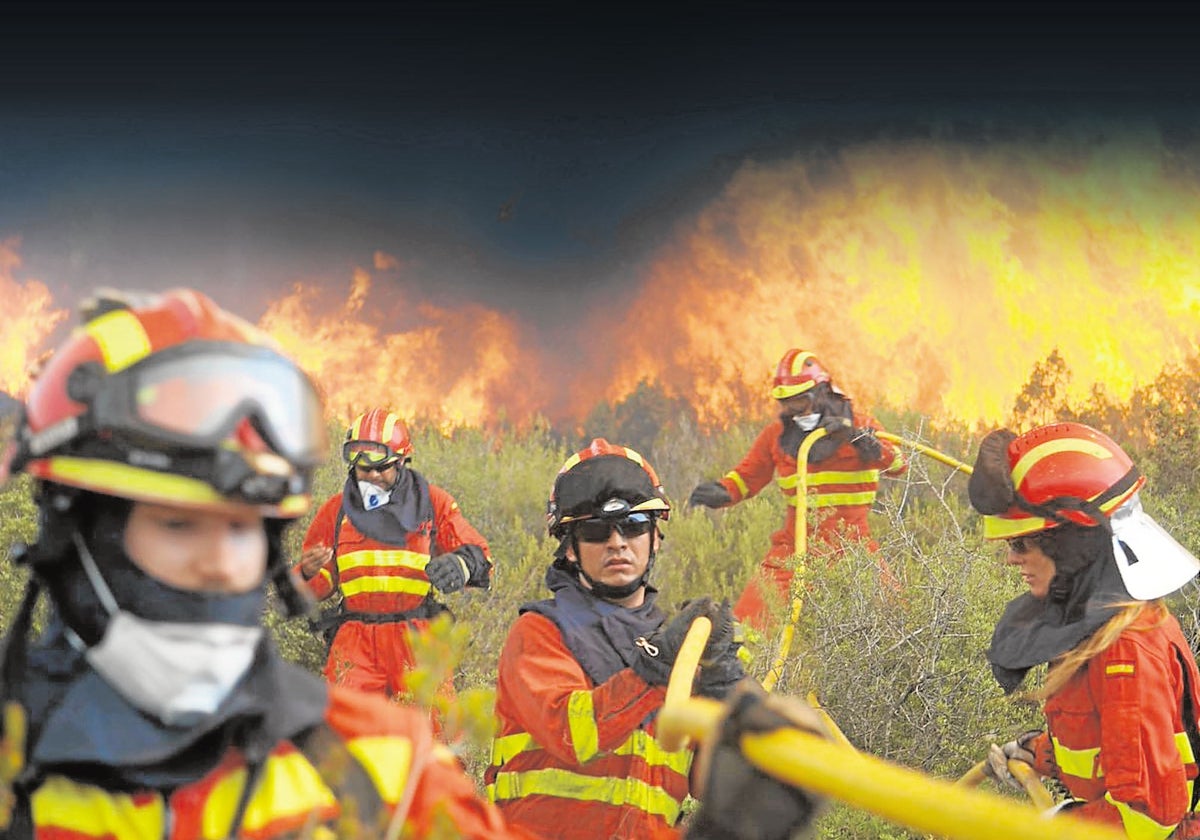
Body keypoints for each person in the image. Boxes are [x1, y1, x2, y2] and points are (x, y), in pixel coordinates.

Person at [0, 288, 827, 840]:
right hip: (358, 644)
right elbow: (322, 575)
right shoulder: (15, 768)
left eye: (248, 530)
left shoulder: (382, 768)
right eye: (178, 524)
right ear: (73, 536)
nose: (223, 567)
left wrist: (721, 827)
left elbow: (476, 553)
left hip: (408, 648)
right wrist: (321, 586)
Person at [486, 438, 751, 839]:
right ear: (570, 549)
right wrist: (657, 665)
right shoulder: (541, 632)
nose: (617, 542)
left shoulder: (681, 646)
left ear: (655, 537)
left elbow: (724, 786)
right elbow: (573, 734)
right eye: (595, 530)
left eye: (634, 526)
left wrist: (729, 692)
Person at [969, 421, 1200, 839]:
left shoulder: (1126, 653)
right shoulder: (1093, 629)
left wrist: (1048, 827)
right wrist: (1038, 753)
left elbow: (1148, 821)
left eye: (1021, 544)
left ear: (1073, 546)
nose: (1011, 559)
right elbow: (1108, 742)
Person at [688, 349, 907, 628]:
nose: (795, 409)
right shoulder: (777, 436)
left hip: (853, 549)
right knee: (746, 627)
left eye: (801, 400)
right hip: (794, 551)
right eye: (787, 402)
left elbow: (899, 464)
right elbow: (748, 476)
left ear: (822, 392)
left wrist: (860, 440)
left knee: (896, 625)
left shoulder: (861, 425)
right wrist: (722, 491)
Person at [296, 407, 493, 701]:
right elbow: (315, 586)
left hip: (417, 640)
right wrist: (306, 575)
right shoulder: (336, 511)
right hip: (355, 642)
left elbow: (481, 557)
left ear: (401, 462)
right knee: (347, 732)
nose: (372, 476)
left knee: (428, 732)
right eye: (364, 469)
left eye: (381, 468)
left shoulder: (432, 504)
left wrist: (460, 565)